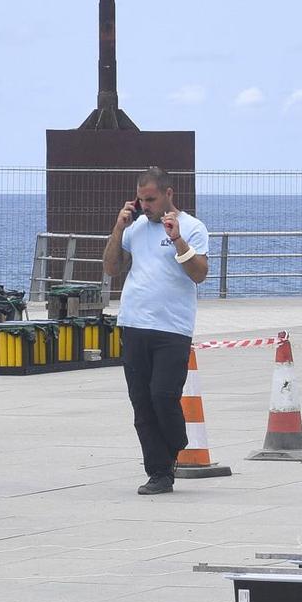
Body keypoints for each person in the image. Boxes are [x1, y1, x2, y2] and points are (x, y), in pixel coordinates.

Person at [101, 166, 209, 493]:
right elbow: (110, 266)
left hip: (172, 328)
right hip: (134, 324)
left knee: (163, 395)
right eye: (141, 199)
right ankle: (159, 473)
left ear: (168, 195)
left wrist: (176, 239)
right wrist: (118, 228)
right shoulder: (135, 229)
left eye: (151, 199)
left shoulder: (192, 227)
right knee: (142, 403)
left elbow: (199, 274)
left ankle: (176, 441)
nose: (145, 205)